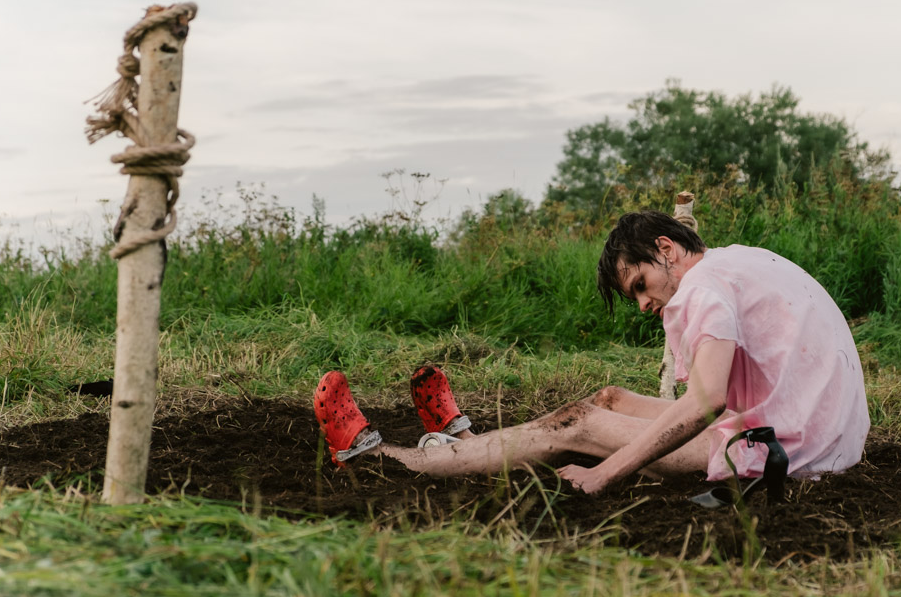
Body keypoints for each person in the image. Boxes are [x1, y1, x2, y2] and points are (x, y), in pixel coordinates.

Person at [314, 210, 870, 494]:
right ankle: (469, 443)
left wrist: (606, 473)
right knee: (607, 398)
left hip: (782, 455)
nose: (644, 304)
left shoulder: (704, 290)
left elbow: (703, 401)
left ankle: (393, 460)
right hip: (807, 436)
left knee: (576, 425)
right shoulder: (737, 260)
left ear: (667, 249)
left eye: (640, 286)